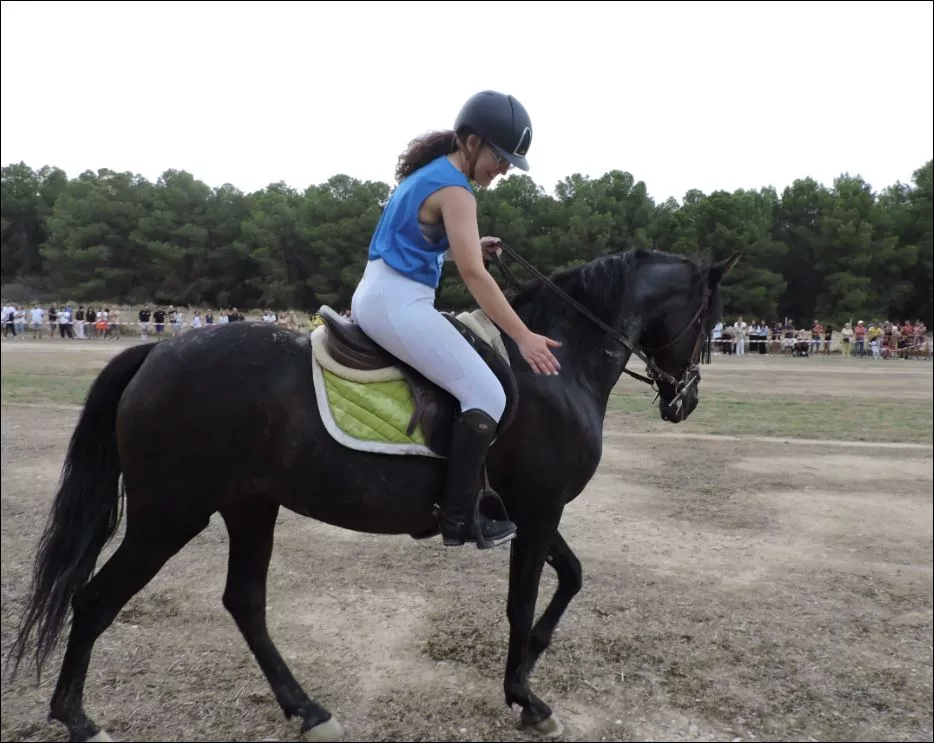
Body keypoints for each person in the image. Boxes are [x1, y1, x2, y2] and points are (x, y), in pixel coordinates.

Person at [350, 90, 562, 550]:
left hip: (383, 294)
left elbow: (411, 244)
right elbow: (475, 277)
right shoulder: (456, 191)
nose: (504, 167)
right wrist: (523, 336)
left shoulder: (430, 176)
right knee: (486, 392)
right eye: (500, 156)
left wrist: (463, 244)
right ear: (470, 142)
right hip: (399, 303)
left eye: (510, 161)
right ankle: (459, 515)